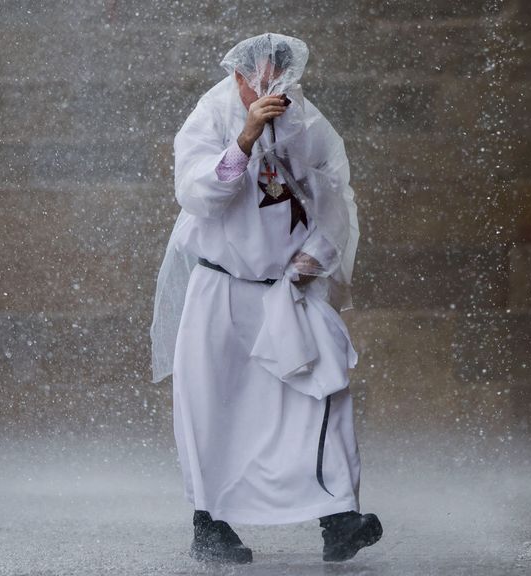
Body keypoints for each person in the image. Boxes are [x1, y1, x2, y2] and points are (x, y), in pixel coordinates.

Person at [149, 33, 382, 563]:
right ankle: (210, 524)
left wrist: (315, 257)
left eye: (276, 78)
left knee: (324, 389)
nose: (265, 87)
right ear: (237, 76)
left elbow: (333, 194)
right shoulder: (210, 116)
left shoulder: (305, 120)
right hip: (222, 291)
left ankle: (340, 517)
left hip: (288, 292)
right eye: (255, 78)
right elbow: (198, 195)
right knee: (214, 406)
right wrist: (248, 135)